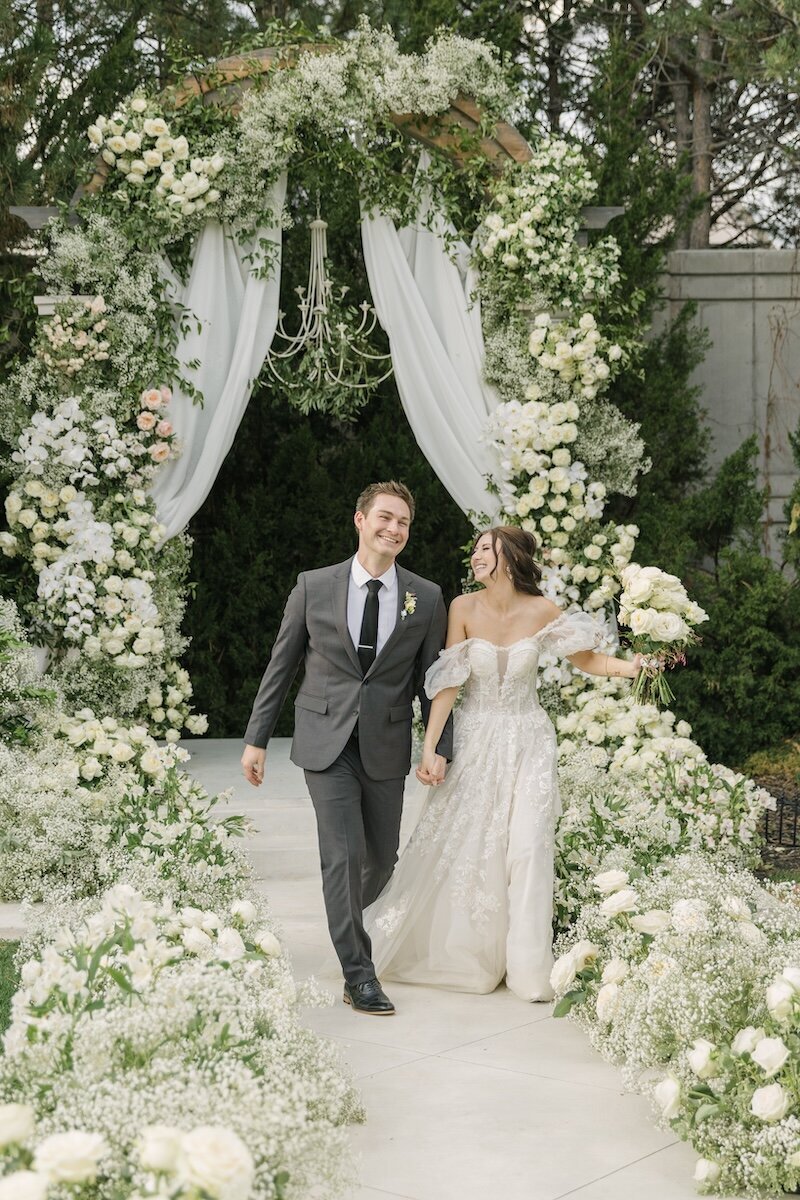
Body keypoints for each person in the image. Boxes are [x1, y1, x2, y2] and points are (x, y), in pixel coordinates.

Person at [364, 525, 642, 1002]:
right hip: (475, 738)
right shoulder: (462, 608)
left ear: (510, 557)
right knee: (472, 843)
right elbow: (449, 681)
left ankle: (530, 970)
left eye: (485, 550)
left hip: (530, 740)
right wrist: (431, 747)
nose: (475, 557)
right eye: (474, 549)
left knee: (530, 847)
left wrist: (635, 668)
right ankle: (471, 954)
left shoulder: (543, 611)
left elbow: (590, 661)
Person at [241, 481, 453, 1016]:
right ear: (359, 520)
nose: (394, 529)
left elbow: (435, 680)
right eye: (385, 517)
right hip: (325, 742)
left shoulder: (425, 598)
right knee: (343, 854)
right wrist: (255, 738)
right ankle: (359, 974)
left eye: (403, 522)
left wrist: (437, 746)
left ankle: (343, 918)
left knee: (382, 859)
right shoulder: (313, 586)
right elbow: (282, 665)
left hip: (384, 743)